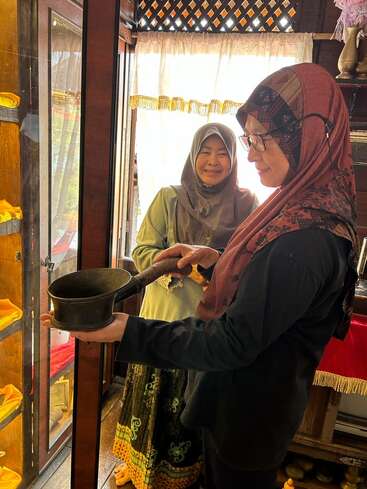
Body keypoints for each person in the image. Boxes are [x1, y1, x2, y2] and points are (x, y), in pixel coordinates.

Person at [42, 63, 358, 489]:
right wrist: (216, 259)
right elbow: (262, 286)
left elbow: (232, 340)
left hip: (247, 414)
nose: (248, 154)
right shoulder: (298, 208)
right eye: (249, 139)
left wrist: (125, 330)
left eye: (260, 139)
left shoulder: (304, 241)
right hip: (248, 405)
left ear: (308, 134)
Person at [113, 123, 258, 488]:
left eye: (222, 152)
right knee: (152, 402)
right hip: (162, 317)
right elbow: (142, 250)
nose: (213, 161)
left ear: (233, 158)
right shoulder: (169, 197)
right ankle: (138, 467)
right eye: (205, 152)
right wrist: (171, 269)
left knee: (192, 406)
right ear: (193, 156)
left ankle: (184, 473)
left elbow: (249, 262)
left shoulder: (247, 204)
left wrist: (212, 269)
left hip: (208, 330)